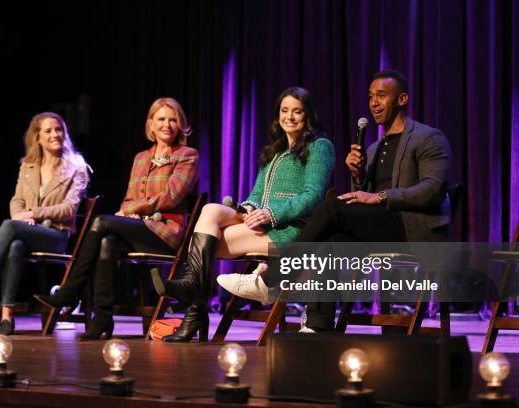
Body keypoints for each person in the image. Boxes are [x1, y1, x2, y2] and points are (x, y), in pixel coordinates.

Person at [220, 69, 452, 333]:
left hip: (414, 230)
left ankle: (274, 277)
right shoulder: (375, 148)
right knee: (328, 241)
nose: (373, 102)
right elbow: (365, 197)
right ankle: (318, 326)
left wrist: (377, 196)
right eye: (370, 96)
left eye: (381, 96)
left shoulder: (428, 138)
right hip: (383, 227)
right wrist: (359, 176)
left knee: (332, 208)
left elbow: (432, 190)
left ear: (402, 99)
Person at [152, 87, 335, 342]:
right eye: (284, 111)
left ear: (308, 115)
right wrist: (249, 207)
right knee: (210, 211)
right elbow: (257, 193)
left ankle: (194, 309)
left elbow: (313, 195)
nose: (289, 117)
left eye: (297, 111)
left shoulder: (320, 147)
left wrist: (271, 214)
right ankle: (194, 295)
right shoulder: (275, 150)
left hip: (293, 230)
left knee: (203, 246)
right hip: (263, 223)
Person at [34, 97, 199, 340]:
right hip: (138, 228)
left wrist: (135, 209)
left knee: (102, 222)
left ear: (180, 124)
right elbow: (127, 200)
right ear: (151, 124)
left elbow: (171, 197)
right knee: (106, 242)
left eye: (172, 119)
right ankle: (102, 317)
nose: (167, 125)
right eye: (161, 119)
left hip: (165, 232)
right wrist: (129, 211)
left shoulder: (188, 155)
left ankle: (70, 291)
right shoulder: (141, 158)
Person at [0, 112, 90, 335]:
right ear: (37, 138)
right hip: (30, 231)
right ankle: (7, 316)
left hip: (56, 235)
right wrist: (21, 216)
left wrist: (32, 213)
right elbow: (17, 200)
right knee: (15, 245)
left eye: (59, 129)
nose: (55, 134)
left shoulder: (76, 167)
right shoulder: (28, 167)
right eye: (49, 130)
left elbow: (69, 209)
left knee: (9, 226)